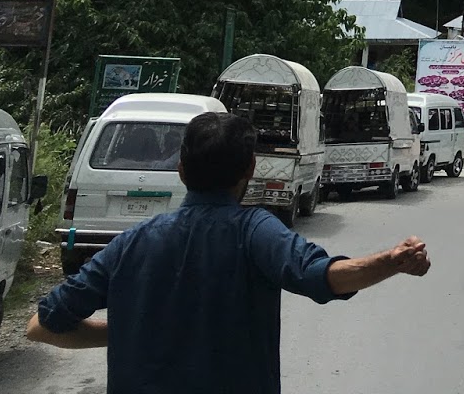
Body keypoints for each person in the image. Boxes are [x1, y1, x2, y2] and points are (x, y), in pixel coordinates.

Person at [26, 111, 431, 394]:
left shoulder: (131, 244)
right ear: (250, 169)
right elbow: (323, 276)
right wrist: (390, 261)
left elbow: (41, 326)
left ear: (181, 169)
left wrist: (132, 331)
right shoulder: (255, 232)